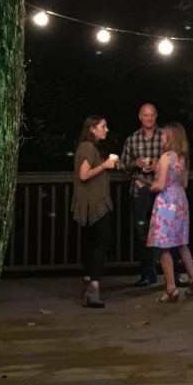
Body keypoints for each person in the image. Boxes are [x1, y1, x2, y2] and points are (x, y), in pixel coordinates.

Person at [147, 122, 193, 304]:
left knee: (163, 248)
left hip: (166, 204)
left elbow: (160, 185)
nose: (161, 137)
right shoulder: (183, 158)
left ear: (170, 137)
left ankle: (171, 289)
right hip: (180, 201)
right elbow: (184, 183)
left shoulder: (165, 157)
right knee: (182, 244)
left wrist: (145, 185)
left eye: (163, 134)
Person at [71, 115, 119, 308]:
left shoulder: (87, 147)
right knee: (103, 241)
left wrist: (106, 165)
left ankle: (87, 283)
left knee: (91, 243)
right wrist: (105, 165)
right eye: (103, 126)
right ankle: (93, 289)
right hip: (94, 204)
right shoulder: (88, 147)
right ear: (92, 128)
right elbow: (84, 175)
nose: (106, 130)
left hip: (91, 203)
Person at [122, 103, 162, 287]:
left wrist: (157, 164)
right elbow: (123, 166)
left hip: (161, 191)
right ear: (140, 117)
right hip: (139, 191)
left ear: (156, 116)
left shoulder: (164, 136)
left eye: (152, 115)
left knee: (166, 232)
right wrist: (135, 163)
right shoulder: (132, 139)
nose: (149, 118)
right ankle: (147, 274)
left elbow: (175, 160)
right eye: (145, 115)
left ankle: (174, 274)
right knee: (141, 234)